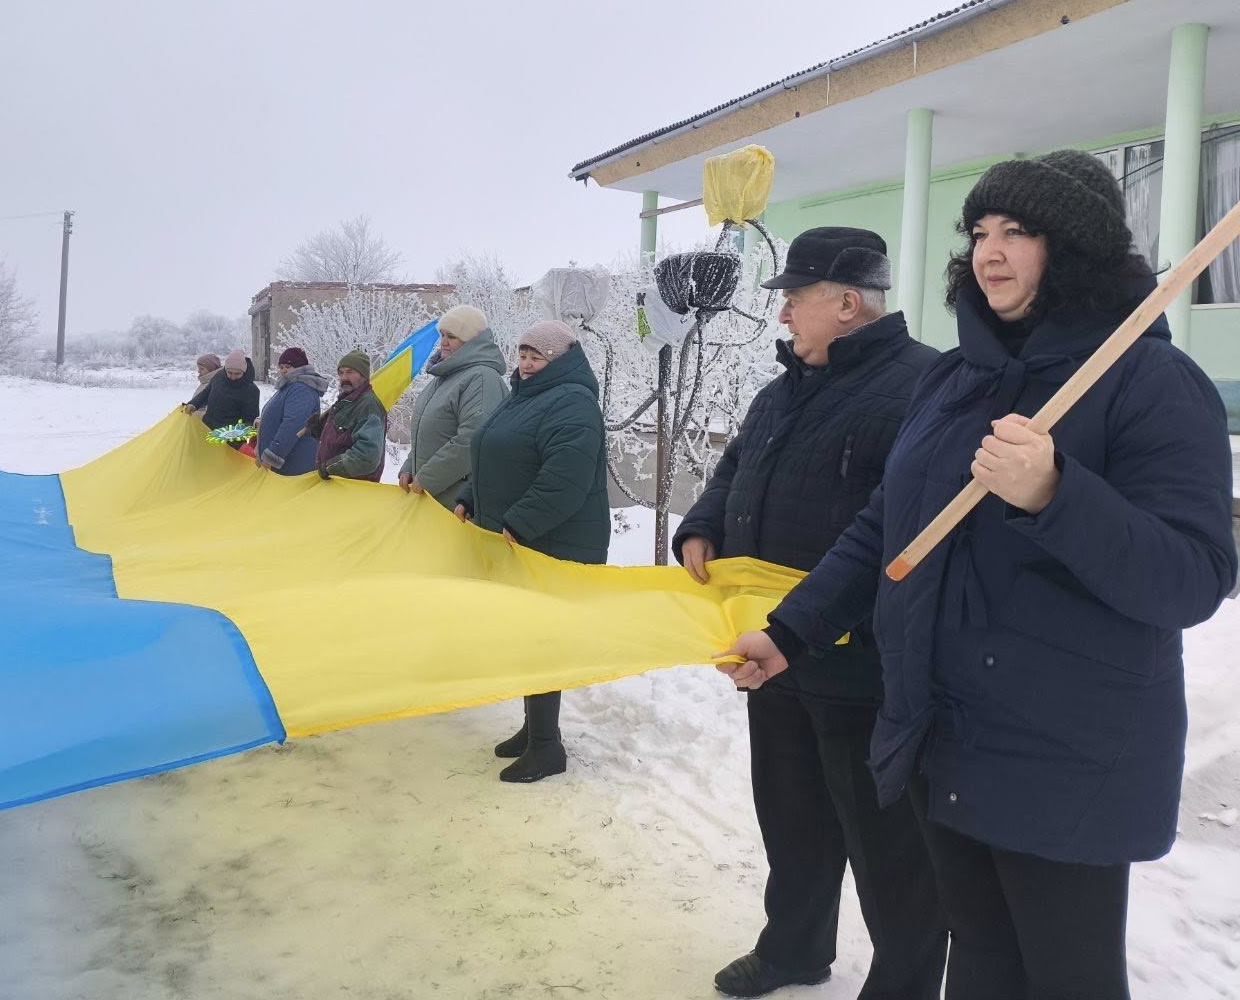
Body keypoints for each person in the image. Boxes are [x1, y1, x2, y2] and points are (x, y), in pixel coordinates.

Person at [722, 150, 1237, 1000]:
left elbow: (1194, 575)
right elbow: (886, 528)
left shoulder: (1152, 382)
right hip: (946, 734)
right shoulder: (956, 380)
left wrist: (1056, 494)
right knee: (983, 967)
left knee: (1065, 980)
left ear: (1074, 248)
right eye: (981, 231)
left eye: (1018, 231)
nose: (990, 251)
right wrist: (790, 631)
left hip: (1062, 753)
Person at [674, 228, 946, 999]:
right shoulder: (783, 390)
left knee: (889, 848)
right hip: (775, 652)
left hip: (863, 666)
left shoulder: (921, 387)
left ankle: (904, 984)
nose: (784, 313)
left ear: (848, 304)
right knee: (792, 822)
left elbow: (896, 531)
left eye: (795, 297)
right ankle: (794, 948)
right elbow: (735, 467)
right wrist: (703, 523)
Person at [454, 320, 609, 784]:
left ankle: (546, 747)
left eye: (536, 356)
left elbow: (565, 478)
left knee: (543, 640)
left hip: (554, 543)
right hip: (523, 541)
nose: (525, 363)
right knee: (526, 636)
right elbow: (493, 455)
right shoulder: (524, 396)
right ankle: (535, 730)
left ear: (559, 360)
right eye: (522, 354)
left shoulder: (574, 403)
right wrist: (470, 496)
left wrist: (519, 522)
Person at [398, 304, 509, 512]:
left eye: (452, 336)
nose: (444, 342)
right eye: (442, 335)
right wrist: (410, 466)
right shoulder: (444, 377)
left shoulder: (481, 379)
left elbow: (471, 440)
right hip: (431, 497)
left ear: (470, 341)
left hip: (457, 503)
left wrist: (428, 478)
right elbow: (430, 434)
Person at [307, 350, 387, 480]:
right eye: (341, 372)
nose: (344, 378)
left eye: (350, 372)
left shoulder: (368, 405)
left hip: (352, 487)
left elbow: (367, 456)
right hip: (335, 485)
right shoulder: (346, 401)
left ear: (363, 375)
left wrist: (330, 468)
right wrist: (319, 430)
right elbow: (341, 438)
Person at [255, 347, 329, 475]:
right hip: (288, 461)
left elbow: (292, 425)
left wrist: (273, 455)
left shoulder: (301, 389)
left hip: (295, 462)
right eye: (281, 367)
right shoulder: (290, 387)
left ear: (300, 367)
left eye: (288, 367)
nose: (283, 370)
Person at [183, 348, 260, 435]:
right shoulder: (218, 377)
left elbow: (249, 420)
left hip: (230, 437)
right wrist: (194, 404)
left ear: (244, 371)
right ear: (225, 369)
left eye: (237, 374)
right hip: (208, 429)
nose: (233, 377)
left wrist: (235, 434)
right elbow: (206, 393)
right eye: (229, 372)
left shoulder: (251, 391)